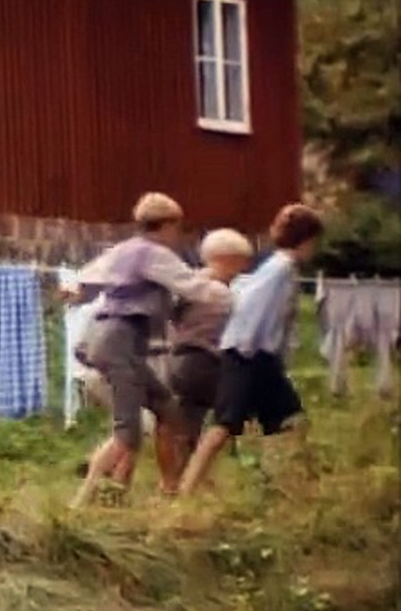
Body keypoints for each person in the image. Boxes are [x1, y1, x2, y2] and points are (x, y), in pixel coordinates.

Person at [67, 192, 227, 509]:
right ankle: (81, 503)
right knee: (127, 434)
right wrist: (232, 297)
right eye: (178, 228)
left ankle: (173, 485)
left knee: (168, 408)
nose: (179, 236)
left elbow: (87, 280)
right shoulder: (156, 254)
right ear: (167, 225)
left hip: (107, 337)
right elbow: (191, 287)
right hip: (119, 344)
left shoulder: (123, 250)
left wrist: (75, 292)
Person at [179, 205, 324, 496]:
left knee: (290, 421)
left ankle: (290, 484)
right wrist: (244, 348)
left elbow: (243, 291)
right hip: (248, 354)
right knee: (224, 426)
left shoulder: (278, 266)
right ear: (307, 240)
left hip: (263, 358)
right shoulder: (280, 268)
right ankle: (186, 490)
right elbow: (251, 306)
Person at [169, 228, 253, 458]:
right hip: (205, 360)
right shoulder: (218, 292)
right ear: (227, 259)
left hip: (181, 359)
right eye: (240, 261)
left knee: (189, 419)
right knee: (236, 410)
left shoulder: (190, 282)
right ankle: (237, 461)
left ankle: (180, 475)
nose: (242, 269)